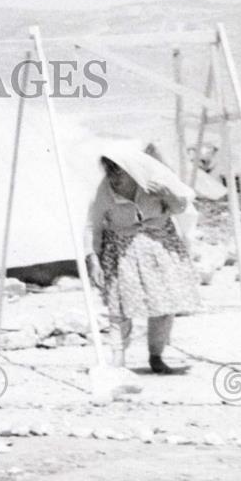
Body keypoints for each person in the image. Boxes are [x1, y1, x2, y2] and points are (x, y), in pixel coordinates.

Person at [83, 148, 200, 374]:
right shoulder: (104, 193)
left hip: (160, 250)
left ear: (132, 172)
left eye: (119, 173)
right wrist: (93, 259)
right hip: (122, 252)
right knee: (119, 306)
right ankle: (118, 359)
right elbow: (92, 226)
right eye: (109, 172)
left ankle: (156, 356)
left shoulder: (153, 185)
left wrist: (168, 194)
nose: (114, 179)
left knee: (164, 304)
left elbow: (182, 208)